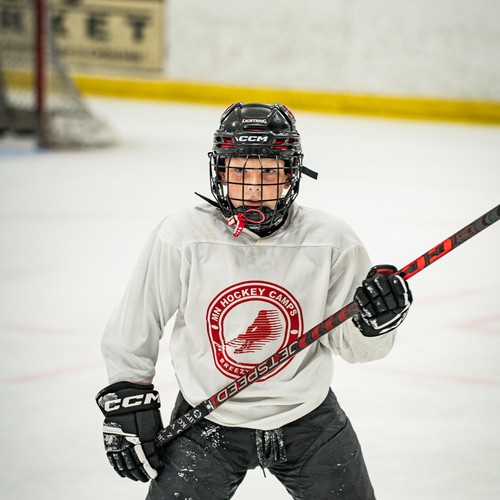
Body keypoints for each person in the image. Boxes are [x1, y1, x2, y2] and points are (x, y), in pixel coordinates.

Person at [96, 102, 413, 499]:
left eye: (268, 172)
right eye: (240, 172)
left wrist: (373, 324)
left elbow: (356, 347)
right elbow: (136, 321)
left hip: (308, 422)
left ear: (291, 174)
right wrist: (128, 394)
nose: (252, 189)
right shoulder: (185, 234)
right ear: (220, 171)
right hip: (206, 423)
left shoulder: (331, 240)